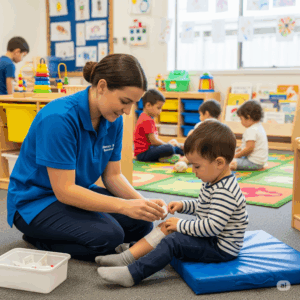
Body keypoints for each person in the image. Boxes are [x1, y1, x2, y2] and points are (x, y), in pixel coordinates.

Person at [7, 54, 167, 262]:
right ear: (101, 86)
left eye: (133, 104)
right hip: (36, 202)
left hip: (76, 192)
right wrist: (124, 206)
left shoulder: (113, 119)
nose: (128, 111)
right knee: (109, 237)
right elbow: (64, 191)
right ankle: (37, 239)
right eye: (124, 101)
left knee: (142, 223)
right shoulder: (59, 118)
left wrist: (143, 203)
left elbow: (113, 176)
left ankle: (77, 231)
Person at [96, 120, 249, 287]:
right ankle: (127, 256)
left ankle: (132, 274)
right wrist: (184, 206)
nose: (193, 171)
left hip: (220, 248)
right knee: (166, 226)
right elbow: (205, 206)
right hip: (210, 238)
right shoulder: (213, 180)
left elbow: (212, 227)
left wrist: (180, 225)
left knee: (173, 240)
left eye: (197, 166)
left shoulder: (226, 190)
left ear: (219, 163)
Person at [134, 89, 184, 163]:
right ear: (148, 105)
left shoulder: (146, 117)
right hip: (143, 154)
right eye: (158, 108)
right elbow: (153, 141)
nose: (160, 111)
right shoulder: (146, 120)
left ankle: (182, 151)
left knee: (174, 146)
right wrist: (167, 144)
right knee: (170, 147)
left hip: (148, 151)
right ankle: (171, 156)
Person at [179, 99, 222, 164]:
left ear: (206, 113)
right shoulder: (222, 126)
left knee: (191, 133)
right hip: (216, 155)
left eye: (200, 115)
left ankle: (185, 159)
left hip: (202, 154)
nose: (200, 117)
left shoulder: (201, 125)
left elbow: (193, 141)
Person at [230, 100, 268, 171]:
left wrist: (236, 156)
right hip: (260, 162)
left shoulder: (251, 130)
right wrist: (238, 152)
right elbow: (247, 147)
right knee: (234, 154)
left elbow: (249, 149)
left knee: (229, 163)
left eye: (241, 119)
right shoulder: (259, 126)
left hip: (253, 163)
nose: (241, 122)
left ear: (248, 117)